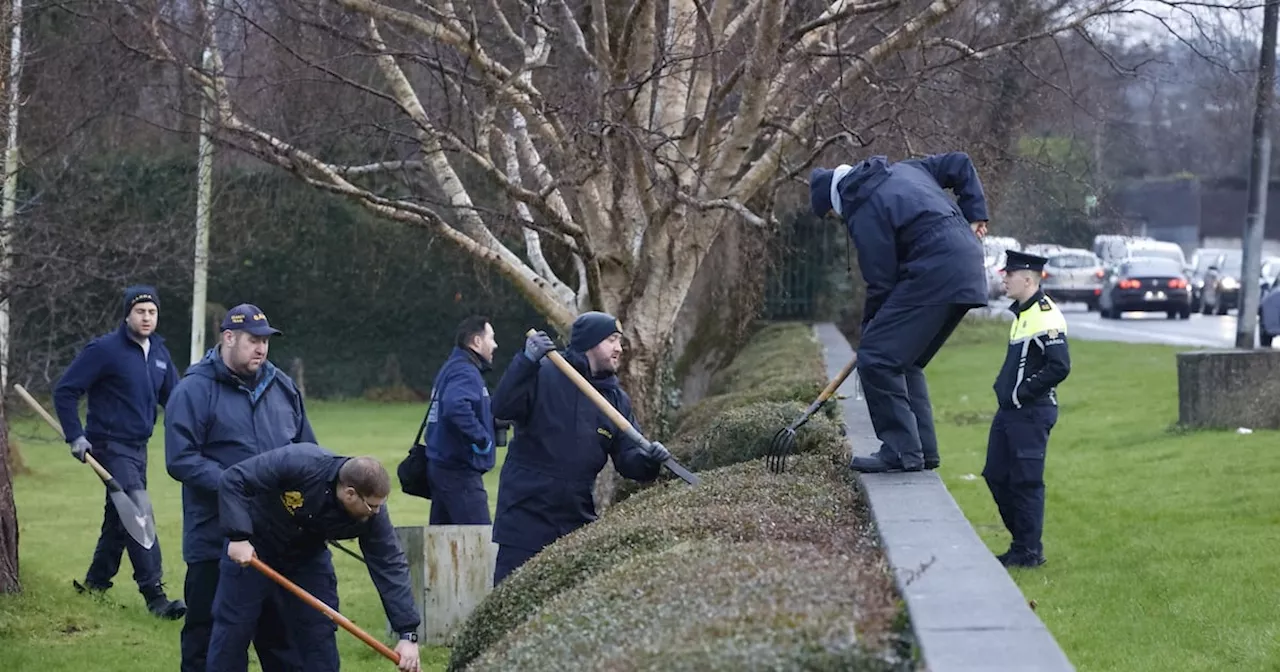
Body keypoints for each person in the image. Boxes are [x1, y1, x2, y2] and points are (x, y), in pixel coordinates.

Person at [810, 152, 991, 473]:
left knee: (878, 359)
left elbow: (882, 281)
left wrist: (870, 334)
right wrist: (975, 213)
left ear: (835, 202)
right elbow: (960, 162)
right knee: (904, 361)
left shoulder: (862, 208)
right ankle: (922, 451)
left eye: (830, 215)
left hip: (934, 271)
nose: (835, 221)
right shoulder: (907, 169)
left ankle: (899, 451)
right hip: (968, 267)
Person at [164, 303, 314, 672]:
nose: (261, 348)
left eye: (265, 341)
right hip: (213, 539)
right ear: (228, 338)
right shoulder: (193, 390)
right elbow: (181, 459)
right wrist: (237, 486)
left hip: (275, 538)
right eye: (253, 340)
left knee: (281, 639)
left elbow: (307, 453)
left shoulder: (282, 387)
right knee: (209, 640)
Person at [489, 311, 670, 584]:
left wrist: (649, 461)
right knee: (512, 598)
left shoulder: (615, 400)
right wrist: (525, 363)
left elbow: (628, 460)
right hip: (525, 515)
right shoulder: (544, 372)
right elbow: (501, 408)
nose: (619, 348)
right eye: (611, 340)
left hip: (576, 519)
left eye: (619, 341)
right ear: (589, 342)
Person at [211, 443, 422, 672]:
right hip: (254, 550)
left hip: (306, 557)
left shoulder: (373, 516)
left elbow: (389, 562)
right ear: (350, 493)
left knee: (318, 630)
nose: (377, 513)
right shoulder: (299, 462)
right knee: (234, 630)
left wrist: (407, 632)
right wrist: (238, 536)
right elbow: (234, 479)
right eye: (371, 507)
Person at [52, 285, 186, 618]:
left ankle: (96, 583)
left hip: (139, 448)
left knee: (118, 517)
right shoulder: (104, 350)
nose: (146, 317)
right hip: (109, 446)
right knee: (137, 511)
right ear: (127, 314)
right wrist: (75, 436)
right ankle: (155, 596)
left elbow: (176, 398)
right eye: (140, 311)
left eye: (152, 312)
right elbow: (66, 391)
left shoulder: (158, 353)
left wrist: (194, 429)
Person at [985, 250, 1071, 569]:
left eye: (1008, 275)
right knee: (995, 474)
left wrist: (1021, 393)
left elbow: (1060, 366)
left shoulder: (1046, 315)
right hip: (1010, 412)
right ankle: (1022, 544)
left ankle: (1028, 552)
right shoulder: (1023, 313)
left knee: (1026, 481)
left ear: (1027, 279)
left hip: (1030, 413)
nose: (1003, 279)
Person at [425, 316, 499, 525]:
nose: (495, 345)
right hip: (459, 470)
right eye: (491, 338)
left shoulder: (451, 367)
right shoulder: (465, 371)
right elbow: (455, 405)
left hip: (441, 466)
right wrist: (482, 439)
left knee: (441, 541)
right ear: (476, 342)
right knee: (479, 540)